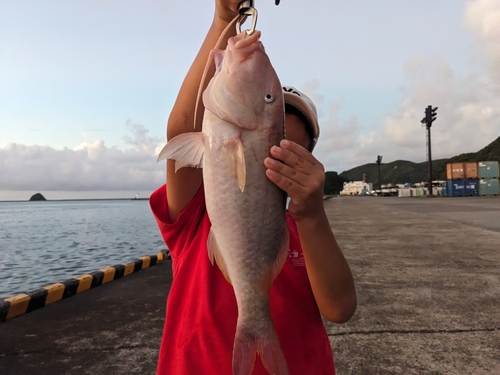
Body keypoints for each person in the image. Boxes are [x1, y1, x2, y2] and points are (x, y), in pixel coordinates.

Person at [150, 1, 357, 374]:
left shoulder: (301, 230)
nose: (271, 155)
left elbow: (340, 308)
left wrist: (311, 214)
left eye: (289, 154)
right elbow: (182, 131)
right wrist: (225, 20)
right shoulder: (198, 217)